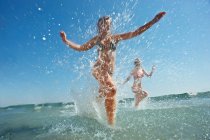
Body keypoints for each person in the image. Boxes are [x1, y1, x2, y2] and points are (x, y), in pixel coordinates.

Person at [60, 12, 166, 126]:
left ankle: (90, 109)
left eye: (108, 25)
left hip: (109, 73)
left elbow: (136, 32)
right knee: (112, 89)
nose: (105, 27)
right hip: (99, 68)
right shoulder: (96, 39)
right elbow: (81, 47)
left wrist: (153, 21)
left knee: (103, 94)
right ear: (99, 27)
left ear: (111, 26)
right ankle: (111, 125)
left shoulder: (115, 38)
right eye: (102, 25)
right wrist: (67, 41)